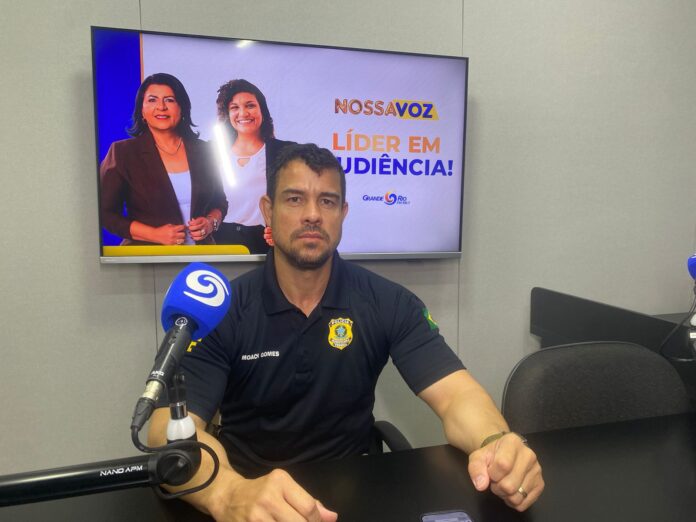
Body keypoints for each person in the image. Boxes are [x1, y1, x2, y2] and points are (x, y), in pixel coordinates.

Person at [148, 144, 544, 521]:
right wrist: (228, 494)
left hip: (355, 491)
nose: (312, 215)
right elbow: (167, 428)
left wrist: (495, 443)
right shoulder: (220, 309)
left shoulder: (387, 301)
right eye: (294, 199)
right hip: (250, 493)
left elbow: (457, 394)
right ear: (268, 210)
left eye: (327, 201)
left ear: (343, 213)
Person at [100, 73, 227, 246]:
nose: (161, 107)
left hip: (201, 255)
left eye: (169, 100)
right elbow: (105, 213)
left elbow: (220, 202)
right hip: (147, 256)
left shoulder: (205, 150)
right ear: (142, 110)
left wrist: (210, 223)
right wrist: (154, 235)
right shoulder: (123, 152)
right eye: (152, 100)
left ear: (182, 108)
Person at [212, 79, 294, 253]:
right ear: (227, 114)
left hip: (267, 242)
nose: (243, 113)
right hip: (221, 242)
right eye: (234, 107)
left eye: (250, 105)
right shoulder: (212, 152)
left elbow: (297, 199)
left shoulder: (285, 152)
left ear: (262, 110)